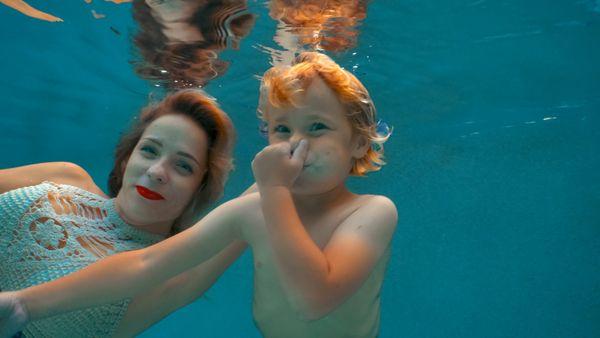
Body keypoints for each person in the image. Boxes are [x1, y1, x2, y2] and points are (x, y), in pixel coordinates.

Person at [0, 52, 397, 338]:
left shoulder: (367, 210)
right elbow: (145, 263)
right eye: (281, 130)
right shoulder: (256, 208)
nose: (296, 145)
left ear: (360, 143)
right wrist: (25, 303)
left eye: (317, 128)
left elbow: (314, 300)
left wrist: (273, 186)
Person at [0, 89, 248, 337]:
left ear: (199, 190)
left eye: (183, 166)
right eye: (150, 150)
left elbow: (254, 204)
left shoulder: (166, 277)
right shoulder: (66, 175)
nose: (156, 171)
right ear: (126, 159)